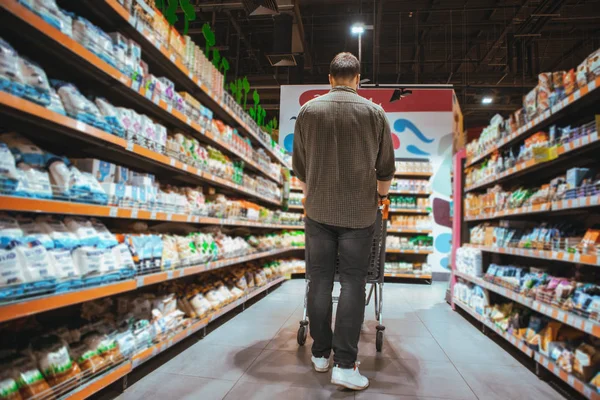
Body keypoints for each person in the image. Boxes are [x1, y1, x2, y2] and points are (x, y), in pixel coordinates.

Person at [292, 52, 395, 391]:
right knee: (353, 283)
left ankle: (321, 355)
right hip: (359, 215)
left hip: (318, 213)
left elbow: (301, 169)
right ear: (358, 78)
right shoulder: (375, 113)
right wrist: (382, 198)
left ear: (329, 77)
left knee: (319, 280)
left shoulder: (308, 111)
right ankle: (346, 365)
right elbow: (385, 170)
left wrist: (314, 195)